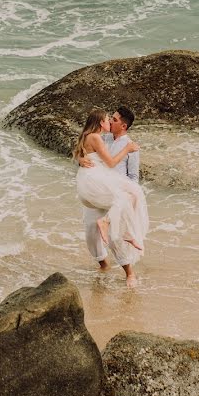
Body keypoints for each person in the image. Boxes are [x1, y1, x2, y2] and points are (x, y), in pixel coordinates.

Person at [73, 109, 149, 287]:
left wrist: (128, 194)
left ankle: (129, 273)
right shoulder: (103, 137)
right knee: (91, 232)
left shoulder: (131, 146)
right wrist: (79, 159)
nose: (110, 122)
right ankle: (104, 265)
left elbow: (133, 177)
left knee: (115, 238)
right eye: (109, 119)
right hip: (97, 188)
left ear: (123, 125)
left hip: (115, 192)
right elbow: (84, 148)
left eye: (113, 120)